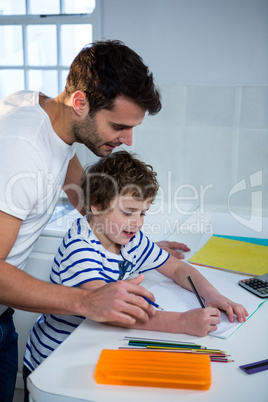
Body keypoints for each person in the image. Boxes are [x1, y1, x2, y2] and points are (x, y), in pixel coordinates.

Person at [0, 40, 189, 401]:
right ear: (80, 102)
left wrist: (127, 237)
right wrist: (86, 303)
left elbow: (84, 194)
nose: (127, 139)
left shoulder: (48, 116)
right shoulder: (21, 151)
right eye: (118, 125)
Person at [23, 150, 248, 398]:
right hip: (55, 363)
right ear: (96, 205)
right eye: (128, 212)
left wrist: (211, 294)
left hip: (93, 349)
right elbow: (112, 314)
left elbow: (176, 267)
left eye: (142, 213)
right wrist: (182, 322)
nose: (137, 223)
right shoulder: (80, 251)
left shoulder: (128, 238)